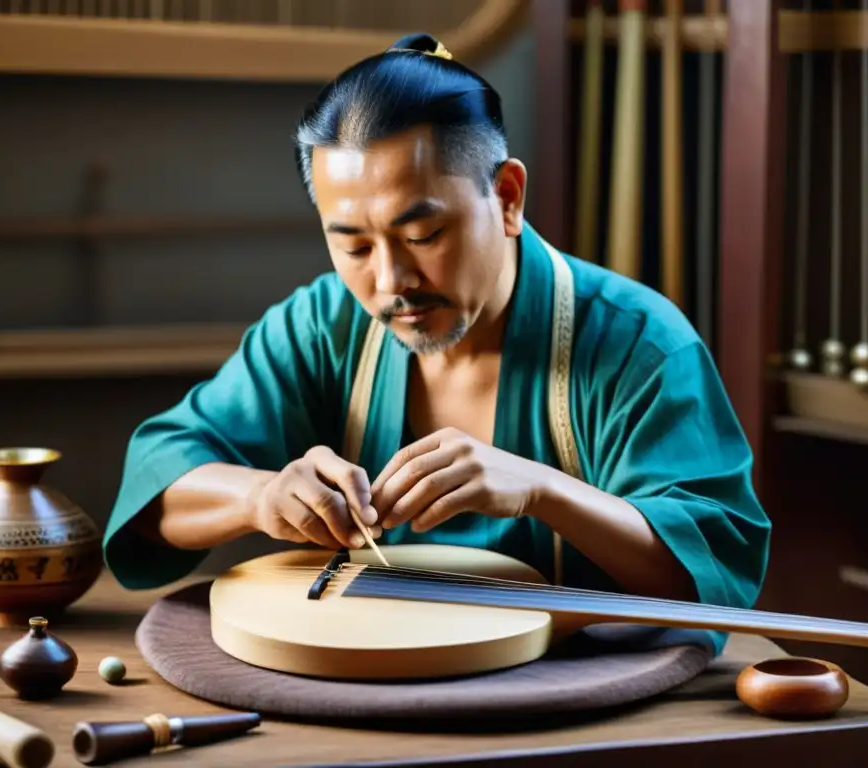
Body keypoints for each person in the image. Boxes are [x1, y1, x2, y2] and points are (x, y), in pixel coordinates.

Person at [102, 32, 770, 656]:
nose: (391, 280)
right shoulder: (325, 325)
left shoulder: (637, 343)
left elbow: (711, 575)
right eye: (353, 244)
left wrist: (545, 491)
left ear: (507, 197)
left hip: (582, 706)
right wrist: (263, 496)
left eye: (422, 235)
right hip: (365, 688)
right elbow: (163, 475)